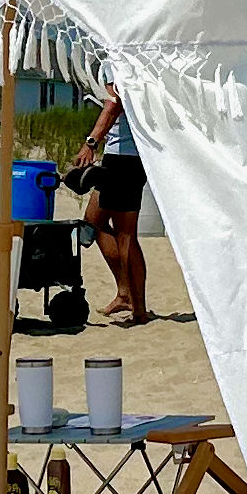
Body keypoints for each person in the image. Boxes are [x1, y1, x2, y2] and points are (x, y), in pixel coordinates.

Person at [74, 85, 153, 326]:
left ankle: (139, 309)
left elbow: (114, 103)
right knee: (93, 221)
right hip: (117, 155)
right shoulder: (113, 65)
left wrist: (91, 142)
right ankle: (125, 293)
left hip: (127, 157)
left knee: (125, 234)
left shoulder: (118, 65)